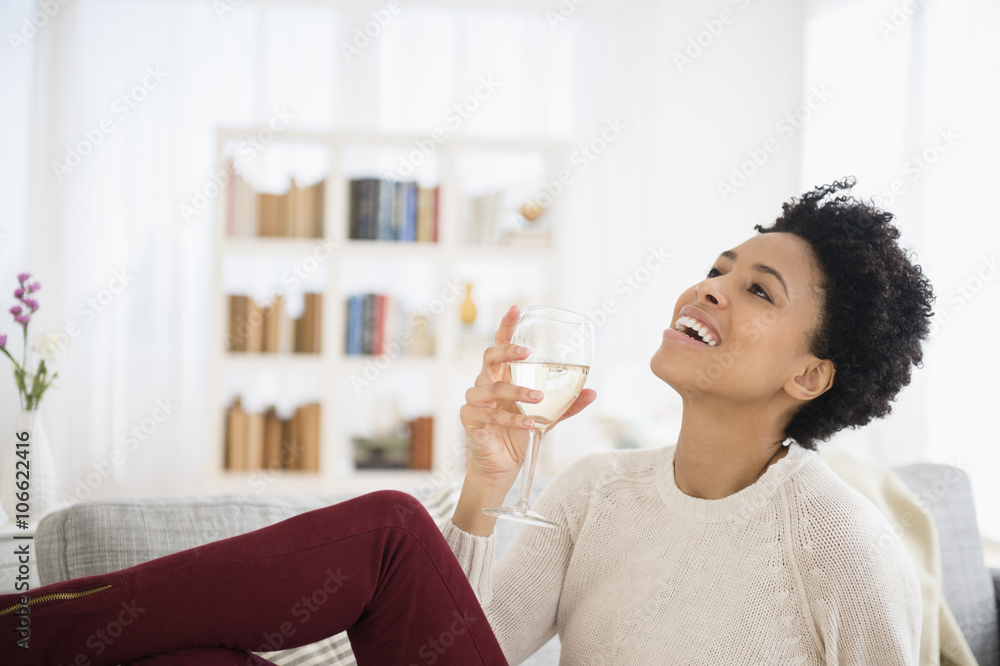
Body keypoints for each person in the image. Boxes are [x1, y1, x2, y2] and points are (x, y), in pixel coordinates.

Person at [0, 177, 932, 665]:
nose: (711, 288)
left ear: (811, 373)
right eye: (719, 268)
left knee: (391, 531)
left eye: (758, 290)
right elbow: (452, 642)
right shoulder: (597, 491)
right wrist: (489, 482)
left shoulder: (836, 538)